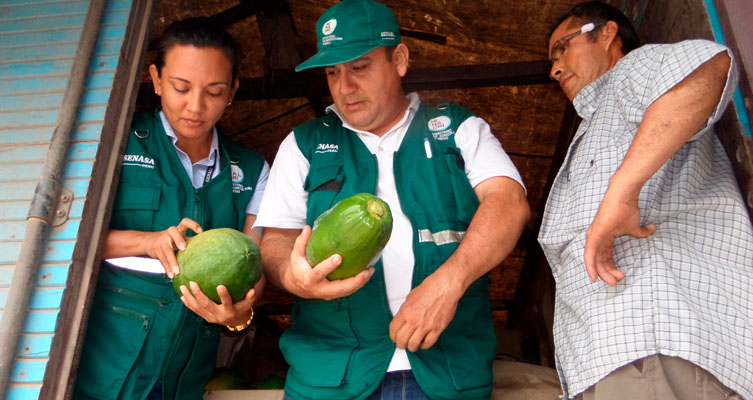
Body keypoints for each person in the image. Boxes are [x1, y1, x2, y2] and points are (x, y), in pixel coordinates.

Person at [254, 0, 530, 399]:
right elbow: (276, 240)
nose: (345, 86)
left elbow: (509, 204)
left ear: (399, 59)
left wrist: (447, 284)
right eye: (333, 72)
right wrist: (293, 275)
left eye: (360, 67)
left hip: (445, 375)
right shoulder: (304, 144)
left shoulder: (457, 130)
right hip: (331, 378)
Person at [537, 2, 753, 399]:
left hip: (654, 343)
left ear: (607, 34)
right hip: (608, 359)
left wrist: (622, 190)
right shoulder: (594, 124)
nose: (555, 67)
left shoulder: (631, 72)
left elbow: (710, 66)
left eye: (564, 47)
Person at [72, 17, 269, 400]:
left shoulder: (252, 169)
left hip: (186, 375)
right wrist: (146, 241)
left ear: (233, 91)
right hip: (102, 366)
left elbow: (255, 260)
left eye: (214, 91)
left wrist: (238, 316)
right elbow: (62, 241)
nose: (196, 106)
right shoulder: (115, 141)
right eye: (181, 87)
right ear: (156, 79)